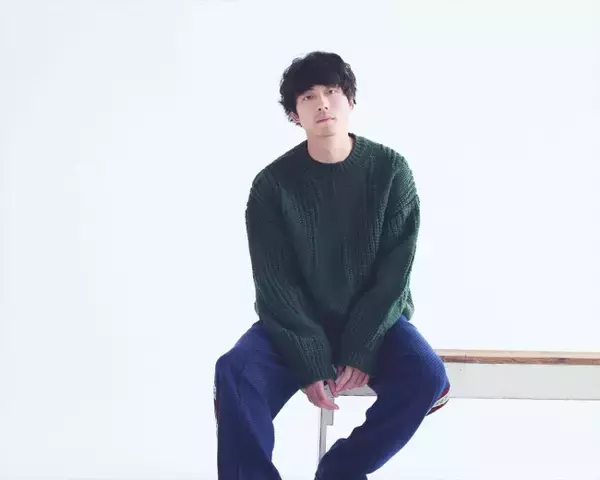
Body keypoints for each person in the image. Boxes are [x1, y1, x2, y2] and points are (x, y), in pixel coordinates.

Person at [213, 51, 451, 480]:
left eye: (332, 91)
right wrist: (309, 357)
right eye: (308, 96)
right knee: (235, 372)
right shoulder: (272, 185)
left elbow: (394, 276)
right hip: (293, 325)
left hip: (376, 323)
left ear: (350, 100)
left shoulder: (391, 171)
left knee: (426, 375)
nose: (322, 103)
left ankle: (341, 470)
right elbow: (275, 283)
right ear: (294, 114)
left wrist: (361, 346)